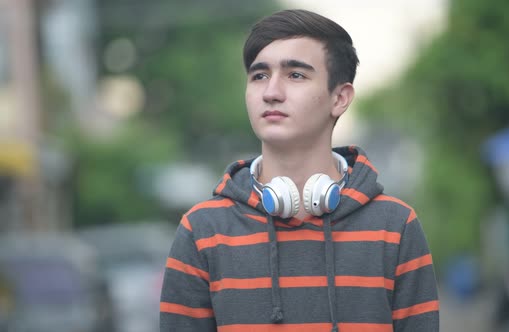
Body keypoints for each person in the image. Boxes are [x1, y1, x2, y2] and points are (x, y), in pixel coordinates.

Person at [160, 9, 439, 332]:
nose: (271, 92)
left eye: (295, 75)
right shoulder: (202, 232)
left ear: (340, 98)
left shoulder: (395, 226)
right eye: (259, 76)